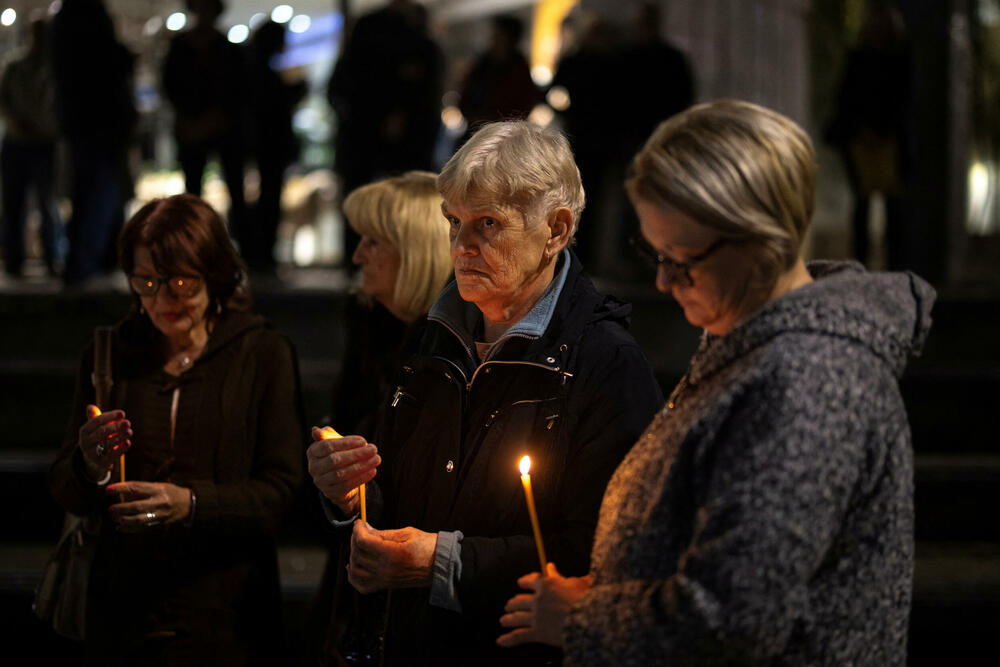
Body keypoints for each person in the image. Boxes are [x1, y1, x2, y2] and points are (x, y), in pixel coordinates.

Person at [496, 100, 935, 665]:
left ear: (760, 242)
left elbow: (731, 620)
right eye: (653, 253)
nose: (662, 279)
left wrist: (583, 619)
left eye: (681, 259)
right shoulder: (748, 342)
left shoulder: (809, 381)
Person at [306, 121, 662, 665]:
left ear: (556, 230)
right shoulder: (434, 335)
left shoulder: (604, 362)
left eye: (487, 224)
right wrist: (350, 490)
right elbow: (395, 493)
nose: (461, 246)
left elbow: (607, 551)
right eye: (454, 223)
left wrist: (441, 562)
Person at [49, 194, 305, 665]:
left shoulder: (263, 354)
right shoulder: (109, 355)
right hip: (124, 615)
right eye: (146, 281)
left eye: (181, 282)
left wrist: (190, 504)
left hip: (226, 618)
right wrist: (91, 466)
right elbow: (66, 489)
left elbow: (283, 492)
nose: (162, 300)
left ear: (216, 274)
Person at [305, 171, 452, 665]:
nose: (356, 255)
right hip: (357, 559)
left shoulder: (442, 353)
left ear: (415, 251)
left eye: (373, 242)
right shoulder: (371, 326)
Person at [327, 0, 443, 261]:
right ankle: (391, 261)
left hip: (373, 136)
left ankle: (365, 261)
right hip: (374, 136)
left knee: (379, 201)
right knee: (394, 201)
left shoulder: (392, 39)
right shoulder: (409, 41)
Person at [50, 0, 136, 287]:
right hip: (98, 123)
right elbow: (108, 64)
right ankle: (86, 262)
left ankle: (90, 261)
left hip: (88, 123)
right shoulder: (83, 20)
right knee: (97, 194)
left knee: (92, 193)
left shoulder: (67, 22)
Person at [163, 0, 249, 249]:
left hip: (220, 127)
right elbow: (171, 86)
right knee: (194, 190)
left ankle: (237, 245)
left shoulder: (225, 48)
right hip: (197, 128)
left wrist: (216, 117)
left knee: (233, 188)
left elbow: (239, 90)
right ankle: (193, 243)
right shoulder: (185, 47)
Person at [0, 17, 63, 277]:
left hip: (43, 142)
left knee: (47, 204)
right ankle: (15, 260)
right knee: (15, 203)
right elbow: (4, 101)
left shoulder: (56, 69)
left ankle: (51, 258)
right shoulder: (16, 67)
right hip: (18, 141)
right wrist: (19, 123)